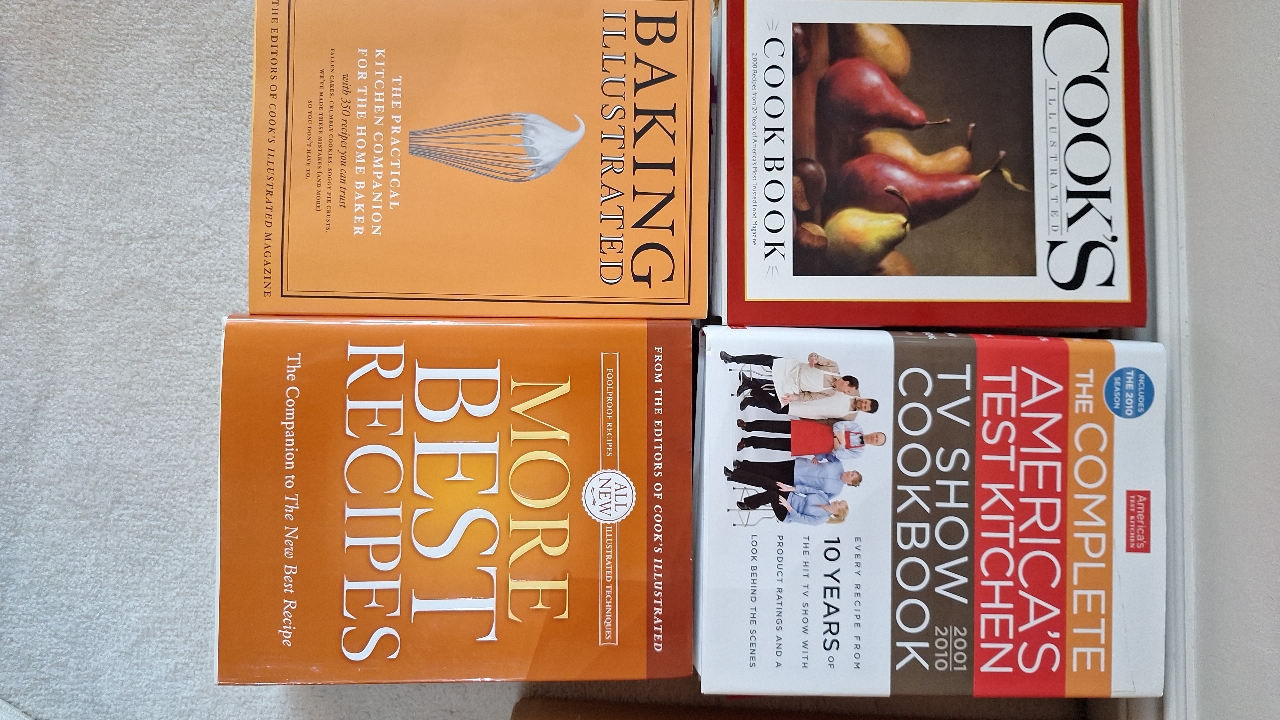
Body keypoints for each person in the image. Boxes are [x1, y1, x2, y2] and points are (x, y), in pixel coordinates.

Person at [721, 351, 860, 414]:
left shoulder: (830, 393)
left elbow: (809, 396)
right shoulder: (833, 367)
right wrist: (813, 359)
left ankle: (750, 386)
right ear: (846, 383)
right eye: (848, 391)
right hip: (793, 369)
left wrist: (793, 398)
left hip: (793, 386)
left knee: (776, 406)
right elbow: (814, 355)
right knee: (767, 360)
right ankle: (733, 359)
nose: (845, 393)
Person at [726, 458, 860, 511]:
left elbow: (817, 496)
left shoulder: (836, 491)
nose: (849, 473)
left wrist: (797, 492)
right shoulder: (838, 465)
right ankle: (743, 465)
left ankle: (737, 475)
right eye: (852, 472)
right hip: (799, 466)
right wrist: (818, 457)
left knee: (768, 478)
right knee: (769, 466)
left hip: (796, 481)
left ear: (850, 483)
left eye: (851, 476)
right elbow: (827, 453)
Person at [737, 419, 886, 461]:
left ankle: (748, 442)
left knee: (776, 444)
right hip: (813, 430)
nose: (874, 438)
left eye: (876, 441)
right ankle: (749, 425)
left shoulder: (858, 452)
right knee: (777, 426)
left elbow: (838, 453)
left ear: (875, 445)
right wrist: (840, 442)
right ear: (874, 432)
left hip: (814, 445)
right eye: (876, 435)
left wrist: (838, 437)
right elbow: (838, 425)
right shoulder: (857, 427)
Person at [779, 494, 848, 525]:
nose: (837, 501)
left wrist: (787, 505)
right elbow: (807, 490)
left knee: (773, 495)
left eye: (839, 503)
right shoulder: (824, 497)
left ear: (836, 511)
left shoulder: (820, 519)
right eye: (839, 501)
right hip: (790, 496)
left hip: (787, 513)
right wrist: (790, 488)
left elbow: (800, 518)